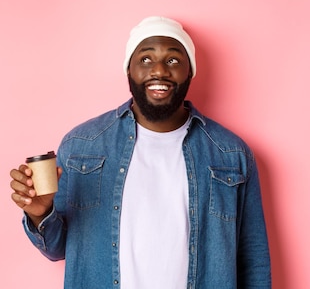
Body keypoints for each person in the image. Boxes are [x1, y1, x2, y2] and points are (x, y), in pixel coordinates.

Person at [9, 16, 271, 289]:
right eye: (145, 59)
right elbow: (57, 249)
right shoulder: (81, 145)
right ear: (129, 70)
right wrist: (41, 214)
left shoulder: (231, 153)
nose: (159, 70)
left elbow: (253, 260)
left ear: (190, 71)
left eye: (173, 60)